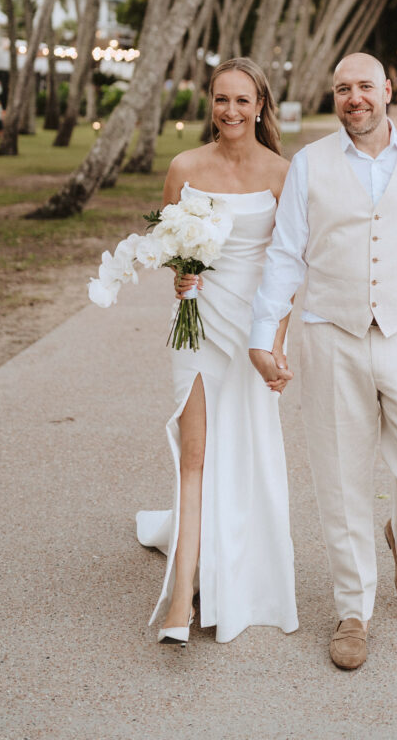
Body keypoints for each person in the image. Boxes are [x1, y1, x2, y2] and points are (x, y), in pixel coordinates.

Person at [249, 52, 397, 670]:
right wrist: (262, 333)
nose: (354, 97)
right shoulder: (309, 165)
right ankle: (354, 611)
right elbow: (285, 257)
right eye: (342, 89)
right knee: (340, 478)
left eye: (364, 87)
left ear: (388, 90)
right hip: (331, 334)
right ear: (336, 97)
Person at [136, 58, 298, 648]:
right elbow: (171, 246)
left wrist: (274, 345)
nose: (230, 111)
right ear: (211, 103)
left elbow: (287, 273)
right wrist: (180, 278)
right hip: (198, 322)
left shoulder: (284, 174)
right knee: (195, 452)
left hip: (252, 327)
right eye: (220, 99)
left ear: (260, 106)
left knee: (249, 444)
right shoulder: (184, 167)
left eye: (241, 100)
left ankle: (240, 568)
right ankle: (182, 596)